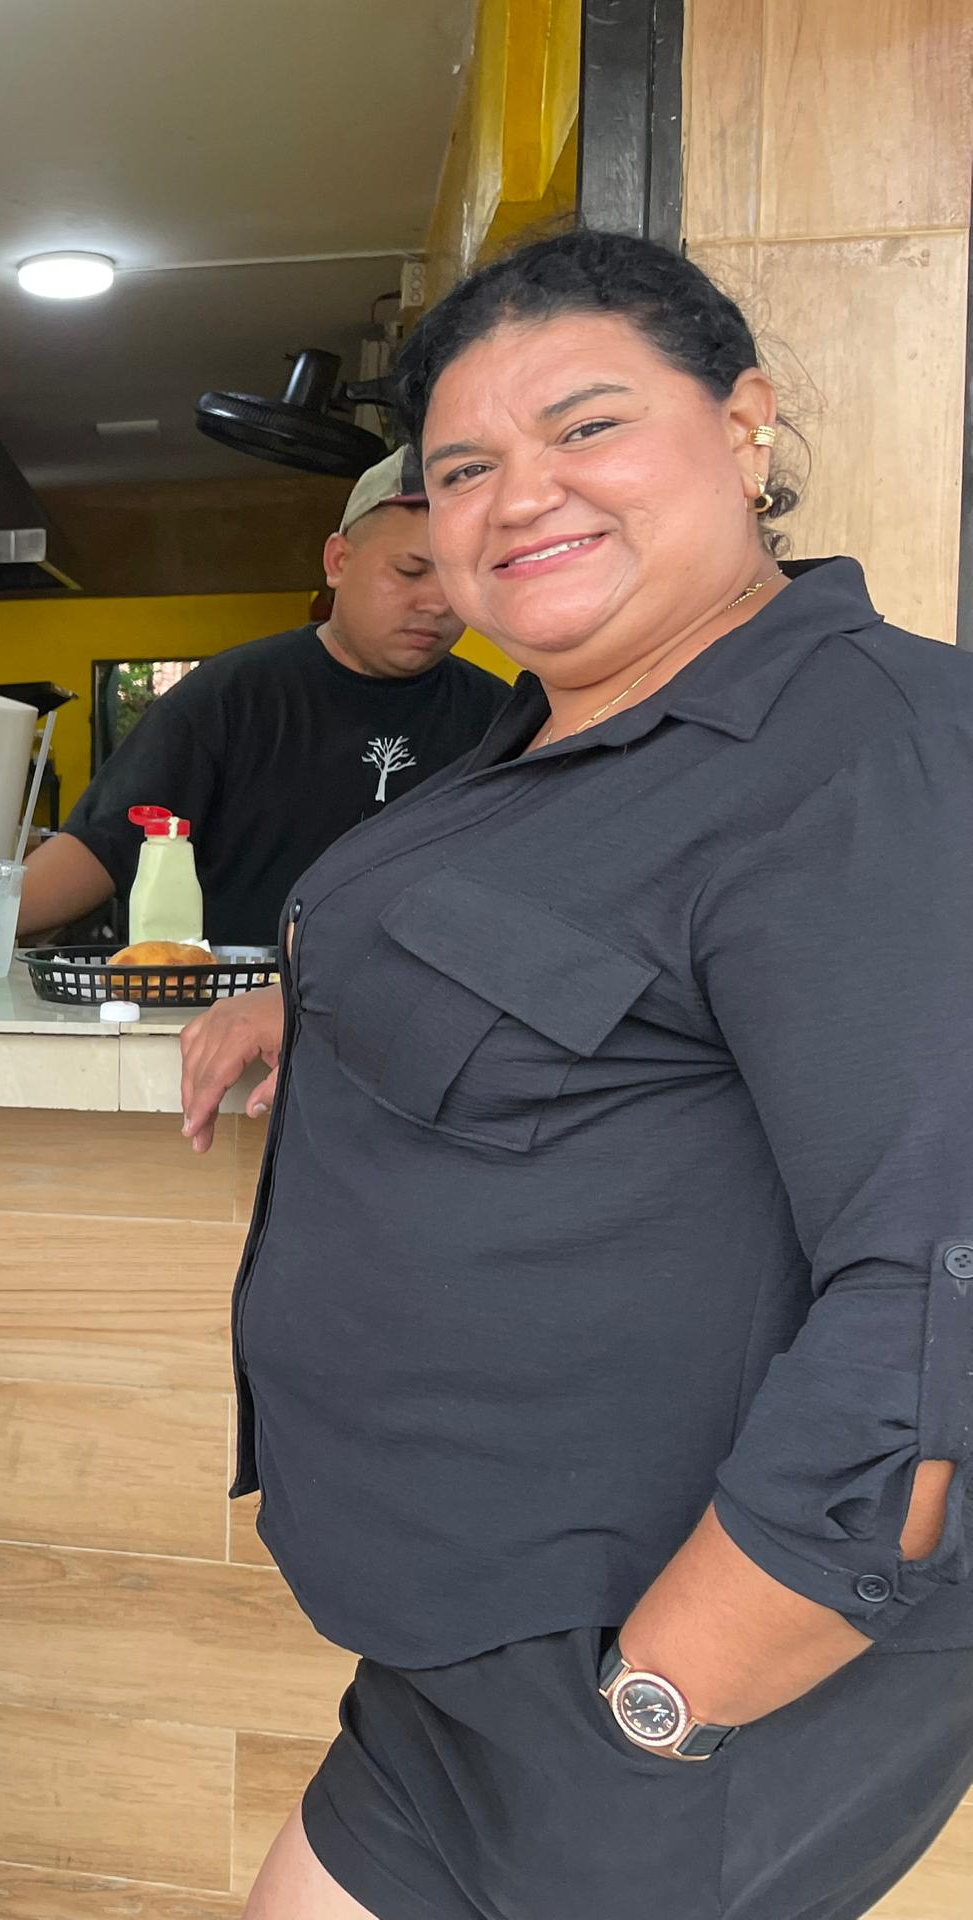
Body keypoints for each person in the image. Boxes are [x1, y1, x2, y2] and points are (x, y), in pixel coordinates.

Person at [178, 229, 973, 1920]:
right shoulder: (559, 728)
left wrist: (668, 1698)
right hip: (466, 1657)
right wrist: (304, 1003)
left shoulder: (869, 754)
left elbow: (941, 1296)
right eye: (464, 467)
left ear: (743, 424)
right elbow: (579, 1007)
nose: (519, 495)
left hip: (659, 1696)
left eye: (588, 427)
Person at [18, 445, 506, 946]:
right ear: (338, 560)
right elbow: (104, 848)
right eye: (410, 571)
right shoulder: (230, 698)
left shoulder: (500, 721)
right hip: (224, 1007)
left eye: (459, 576)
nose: (438, 603)